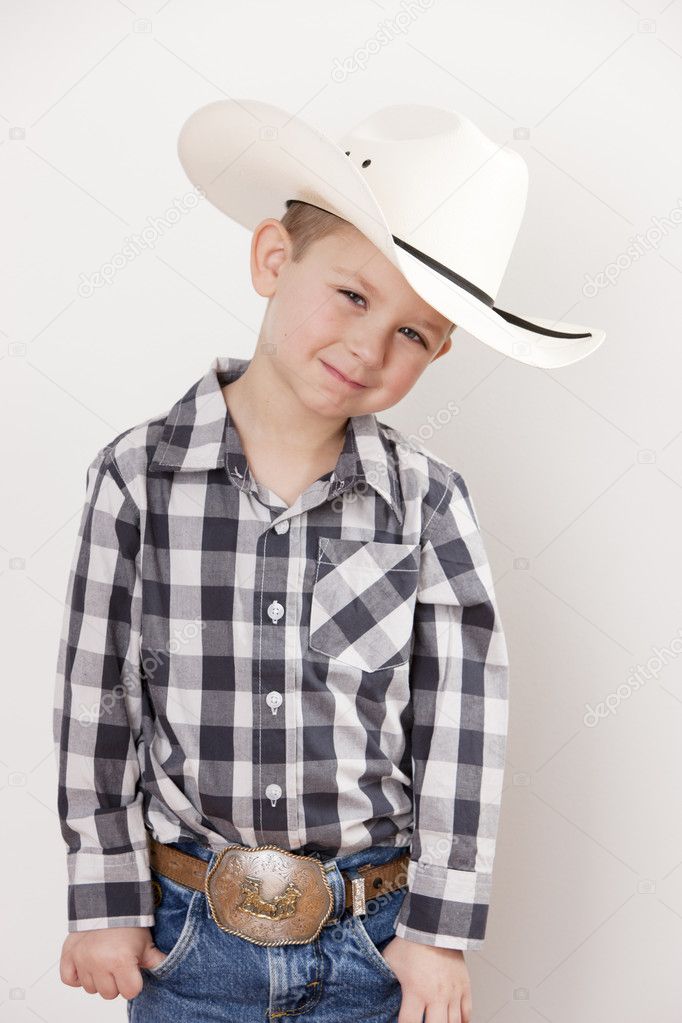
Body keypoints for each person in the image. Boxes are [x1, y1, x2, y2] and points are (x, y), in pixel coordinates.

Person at [53, 99, 605, 1023]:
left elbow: (463, 724)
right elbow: (97, 701)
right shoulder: (138, 477)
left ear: (440, 350)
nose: (367, 346)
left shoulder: (429, 504)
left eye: (413, 334)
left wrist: (436, 929)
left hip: (373, 937)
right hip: (186, 933)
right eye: (353, 295)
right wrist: (105, 898)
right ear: (275, 258)